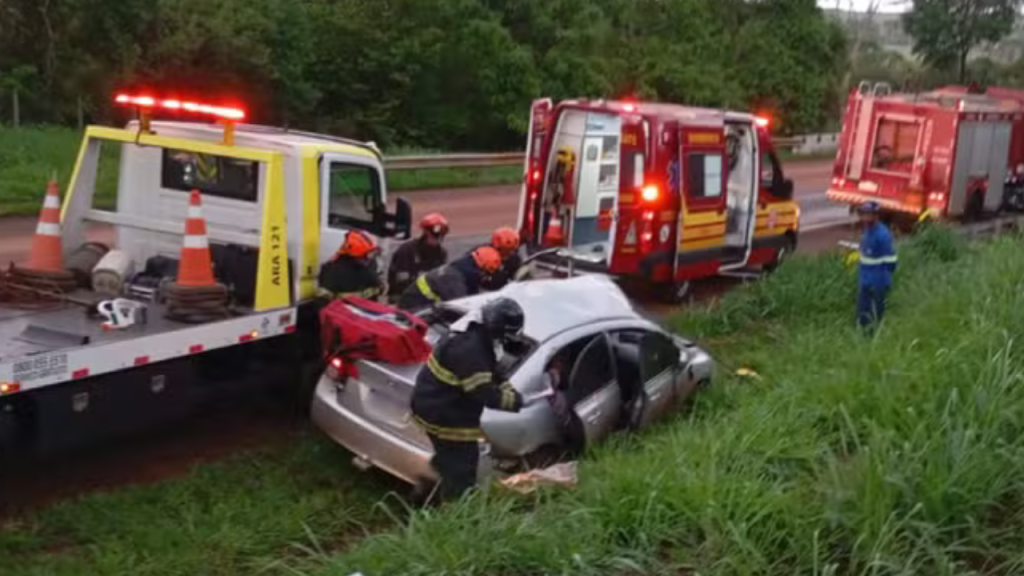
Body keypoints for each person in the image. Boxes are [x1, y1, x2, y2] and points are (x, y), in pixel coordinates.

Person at [410, 297, 526, 501]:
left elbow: (492, 371)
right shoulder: (471, 350)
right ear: (498, 329)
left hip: (434, 404)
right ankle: (453, 510)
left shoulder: (476, 331)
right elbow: (485, 394)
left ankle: (431, 485)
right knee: (463, 467)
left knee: (449, 458)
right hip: (445, 415)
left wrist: (507, 386)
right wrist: (516, 401)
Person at [397, 246, 503, 312]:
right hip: (413, 308)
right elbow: (463, 310)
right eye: (486, 274)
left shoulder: (459, 269)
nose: (486, 279)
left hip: (415, 301)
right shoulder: (456, 281)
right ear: (481, 270)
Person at [855, 201, 897, 332]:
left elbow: (891, 261)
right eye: (863, 214)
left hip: (877, 280)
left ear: (876, 215)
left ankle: (873, 335)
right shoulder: (867, 231)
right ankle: (862, 334)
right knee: (862, 310)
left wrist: (882, 278)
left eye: (868, 214)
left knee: (876, 312)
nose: (865, 218)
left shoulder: (882, 235)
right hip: (865, 278)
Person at [387, 212, 449, 299]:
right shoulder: (407, 250)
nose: (438, 239)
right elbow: (401, 282)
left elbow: (441, 278)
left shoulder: (441, 253)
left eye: (441, 236)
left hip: (428, 296)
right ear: (425, 232)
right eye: (435, 235)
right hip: (403, 296)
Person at [317, 229, 384, 300]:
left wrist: (379, 287)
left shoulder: (370, 265)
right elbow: (323, 301)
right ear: (359, 252)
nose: (371, 257)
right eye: (370, 253)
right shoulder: (333, 271)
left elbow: (379, 286)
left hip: (366, 308)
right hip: (342, 310)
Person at [480, 226, 522, 291]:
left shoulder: (514, 259)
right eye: (506, 250)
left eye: (512, 250)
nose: (510, 253)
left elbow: (523, 277)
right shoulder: (481, 255)